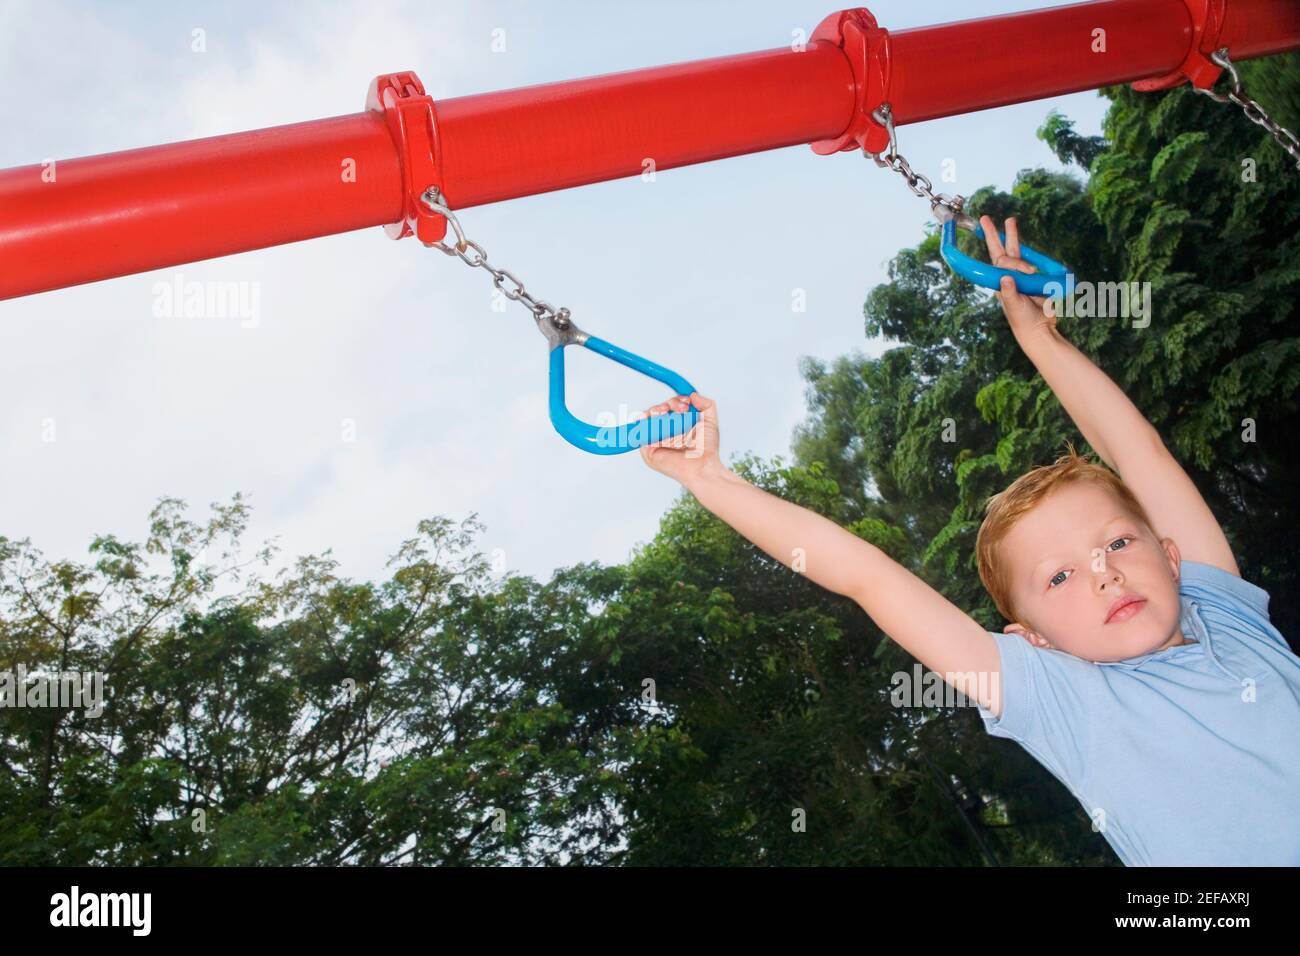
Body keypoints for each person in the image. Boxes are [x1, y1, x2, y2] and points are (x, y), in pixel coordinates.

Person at [637, 216, 1300, 866]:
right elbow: (867, 576)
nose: (1103, 574)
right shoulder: (1065, 700)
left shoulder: (1226, 615)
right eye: (1058, 578)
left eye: (1119, 544)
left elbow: (1140, 452)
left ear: (1173, 555)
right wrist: (711, 481)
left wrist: (1042, 340)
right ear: (1032, 638)